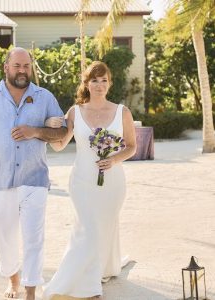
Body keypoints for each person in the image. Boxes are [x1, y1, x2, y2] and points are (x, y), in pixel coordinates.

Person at [0, 47, 67, 300]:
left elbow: (61, 132)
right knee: (5, 237)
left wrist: (35, 131)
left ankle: (30, 289)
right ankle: (13, 278)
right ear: (6, 68)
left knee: (34, 237)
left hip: (35, 179)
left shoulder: (45, 97)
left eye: (26, 66)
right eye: (17, 66)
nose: (22, 71)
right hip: (0, 180)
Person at [43, 61, 137, 299]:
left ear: (109, 83)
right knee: (89, 230)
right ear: (86, 83)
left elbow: (132, 147)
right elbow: (59, 145)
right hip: (82, 182)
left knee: (103, 227)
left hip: (113, 183)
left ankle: (106, 266)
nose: (99, 85)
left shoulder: (122, 112)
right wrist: (48, 127)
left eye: (104, 80)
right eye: (94, 80)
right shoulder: (75, 112)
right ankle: (89, 286)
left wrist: (114, 160)